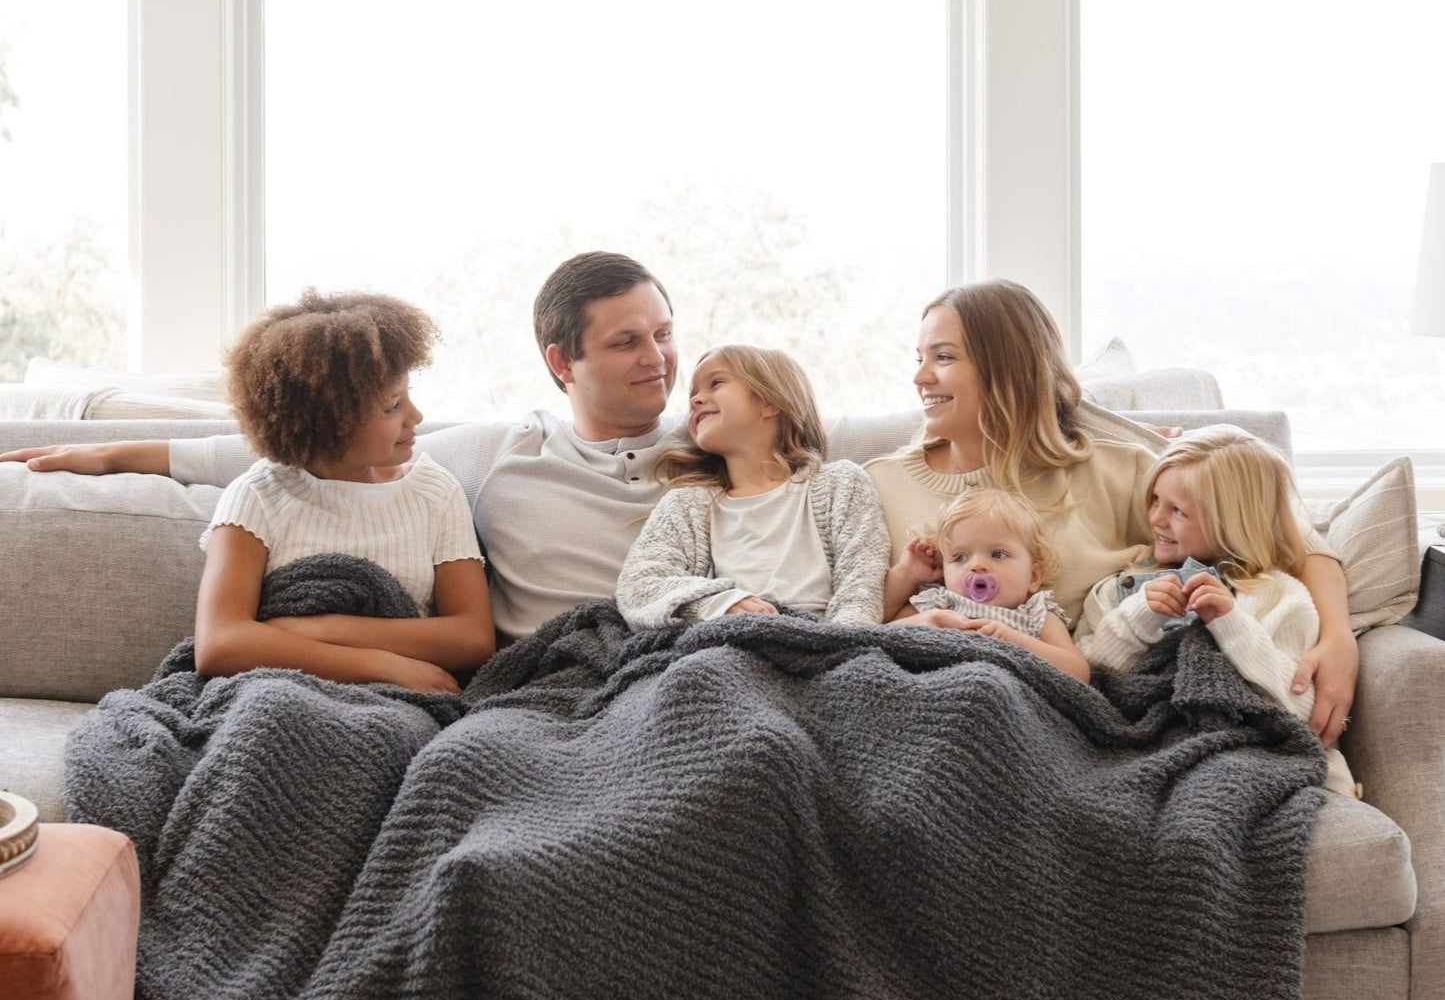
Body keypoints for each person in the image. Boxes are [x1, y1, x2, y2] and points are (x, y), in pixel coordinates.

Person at [0, 253, 909, 646]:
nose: (661, 359)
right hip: (546, 680)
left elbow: (821, 490)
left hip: (679, 660)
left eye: (664, 333)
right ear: (562, 361)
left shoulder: (716, 450)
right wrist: (95, 452)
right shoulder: (487, 452)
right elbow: (291, 453)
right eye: (628, 340)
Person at [864, 279, 1358, 746]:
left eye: (944, 358)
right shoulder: (881, 484)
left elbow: (1288, 535)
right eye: (920, 358)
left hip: (1068, 715)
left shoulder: (1121, 470)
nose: (919, 376)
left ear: (1009, 369)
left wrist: (1339, 639)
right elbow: (847, 620)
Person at [194, 290, 493, 695]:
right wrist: (381, 664)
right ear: (328, 420)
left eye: (407, 396)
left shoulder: (433, 492)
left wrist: (322, 628)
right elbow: (219, 644)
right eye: (391, 406)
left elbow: (472, 637)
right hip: (281, 691)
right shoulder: (257, 496)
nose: (416, 417)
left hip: (395, 704)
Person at [1074, 426, 1358, 796]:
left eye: (1177, 511)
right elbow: (1086, 679)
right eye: (1155, 500)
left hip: (1236, 749)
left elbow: (1302, 707)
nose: (1157, 518)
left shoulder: (1279, 597)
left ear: (1232, 523)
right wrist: (1137, 618)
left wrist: (1233, 627)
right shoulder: (1120, 588)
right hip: (1132, 746)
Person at [615, 345, 889, 627]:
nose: (696, 399)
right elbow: (638, 585)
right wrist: (717, 602)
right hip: (728, 639)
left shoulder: (841, 484)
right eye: (693, 393)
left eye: (716, 383)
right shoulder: (685, 504)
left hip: (822, 638)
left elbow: (862, 582)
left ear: (770, 402)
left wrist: (837, 646)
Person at [882, 486, 1090, 682]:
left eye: (997, 554)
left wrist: (1016, 641)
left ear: (1033, 577)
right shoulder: (937, 603)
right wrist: (906, 575)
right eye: (960, 558)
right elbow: (880, 633)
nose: (977, 565)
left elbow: (1078, 673)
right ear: (944, 571)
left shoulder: (1035, 615)